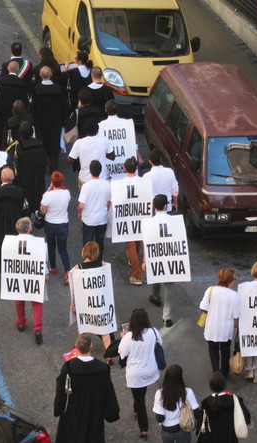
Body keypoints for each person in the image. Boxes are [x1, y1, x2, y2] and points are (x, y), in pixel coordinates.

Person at [54, 333, 120, 443]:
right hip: (94, 410)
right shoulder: (103, 368)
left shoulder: (69, 367)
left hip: (74, 410)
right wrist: (111, 412)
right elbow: (108, 391)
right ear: (91, 347)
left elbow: (61, 391)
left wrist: (59, 408)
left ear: (76, 347)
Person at [118, 308, 161, 440]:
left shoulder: (128, 337)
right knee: (141, 393)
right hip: (150, 370)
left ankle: (144, 428)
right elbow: (160, 344)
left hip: (135, 374)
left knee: (139, 398)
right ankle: (136, 410)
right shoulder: (153, 332)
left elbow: (122, 353)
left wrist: (122, 337)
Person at [71, 242, 114, 361]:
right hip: (100, 303)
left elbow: (75, 289)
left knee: (83, 327)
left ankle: (81, 347)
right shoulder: (104, 265)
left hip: (85, 304)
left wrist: (74, 304)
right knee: (104, 331)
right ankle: (109, 355)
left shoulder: (78, 268)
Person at [142, 194, 177, 327]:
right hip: (170, 255)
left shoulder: (148, 223)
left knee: (156, 275)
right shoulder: (174, 221)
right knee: (169, 286)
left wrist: (145, 261)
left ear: (154, 206)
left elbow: (147, 243)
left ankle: (156, 296)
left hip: (155, 255)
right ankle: (166, 316)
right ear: (166, 206)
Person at [199, 267, 240, 378]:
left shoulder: (210, 290)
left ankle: (216, 372)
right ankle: (225, 372)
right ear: (230, 281)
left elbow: (203, 307)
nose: (235, 281)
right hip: (226, 330)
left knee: (213, 350)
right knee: (225, 351)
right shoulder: (234, 295)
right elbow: (236, 315)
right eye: (234, 279)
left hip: (212, 327)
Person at [13, 217, 47, 345]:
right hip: (34, 276)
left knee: (19, 299)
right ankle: (37, 328)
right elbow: (43, 258)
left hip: (18, 275)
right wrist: (45, 273)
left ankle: (21, 322)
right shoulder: (38, 243)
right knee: (37, 302)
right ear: (29, 228)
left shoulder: (11, 242)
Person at [197, 371, 251, 443]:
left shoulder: (206, 403)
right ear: (224, 385)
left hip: (212, 438)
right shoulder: (234, 400)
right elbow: (246, 418)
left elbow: (202, 424)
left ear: (211, 386)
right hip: (230, 437)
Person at [153, 364, 200, 443]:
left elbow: (160, 418)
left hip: (167, 430)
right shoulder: (188, 392)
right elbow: (197, 413)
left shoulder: (160, 393)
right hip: (184, 428)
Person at [32, 66, 65, 172]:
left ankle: (42, 166)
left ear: (40, 75)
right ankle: (53, 166)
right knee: (54, 142)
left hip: (41, 120)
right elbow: (63, 106)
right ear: (51, 75)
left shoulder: (37, 89)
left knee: (41, 141)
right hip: (55, 119)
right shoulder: (58, 89)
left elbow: (33, 107)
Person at [40, 171, 71, 283]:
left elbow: (42, 211)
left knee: (51, 246)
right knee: (63, 248)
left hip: (50, 224)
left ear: (52, 182)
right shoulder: (67, 193)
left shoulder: (47, 195)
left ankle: (53, 268)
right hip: (63, 224)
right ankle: (67, 271)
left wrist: (48, 190)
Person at [77, 160, 111, 261]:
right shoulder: (107, 184)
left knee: (88, 241)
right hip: (102, 218)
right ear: (100, 171)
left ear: (90, 171)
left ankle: (88, 261)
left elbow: (81, 205)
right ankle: (98, 261)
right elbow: (109, 202)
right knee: (99, 241)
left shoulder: (86, 186)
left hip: (88, 219)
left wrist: (79, 213)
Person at [67, 120, 115, 187]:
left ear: (85, 131)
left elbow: (69, 161)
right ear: (97, 129)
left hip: (84, 180)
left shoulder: (79, 143)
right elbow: (112, 157)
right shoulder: (104, 140)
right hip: (102, 179)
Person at [14, 121, 46, 216]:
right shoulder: (40, 145)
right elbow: (44, 162)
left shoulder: (17, 147)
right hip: (37, 178)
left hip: (24, 180)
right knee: (37, 198)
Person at [121, 156, 144, 286]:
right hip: (140, 215)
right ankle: (133, 259)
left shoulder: (120, 184)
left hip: (127, 217)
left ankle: (137, 275)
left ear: (125, 168)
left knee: (130, 244)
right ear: (136, 168)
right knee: (137, 240)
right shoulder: (143, 182)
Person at [0, 61, 28, 146]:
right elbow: (24, 100)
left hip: (2, 110)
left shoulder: (1, 80)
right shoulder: (22, 83)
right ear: (17, 70)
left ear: (8, 68)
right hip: (16, 111)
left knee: (1, 130)